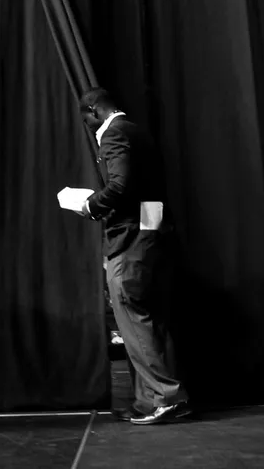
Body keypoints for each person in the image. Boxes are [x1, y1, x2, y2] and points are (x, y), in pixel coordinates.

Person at [78, 87, 189, 425]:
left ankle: (167, 397)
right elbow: (148, 196)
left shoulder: (114, 134)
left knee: (131, 310)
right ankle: (148, 400)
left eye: (86, 118)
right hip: (149, 233)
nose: (88, 126)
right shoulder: (137, 131)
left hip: (131, 238)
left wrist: (89, 205)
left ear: (94, 110)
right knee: (147, 317)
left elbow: (120, 186)